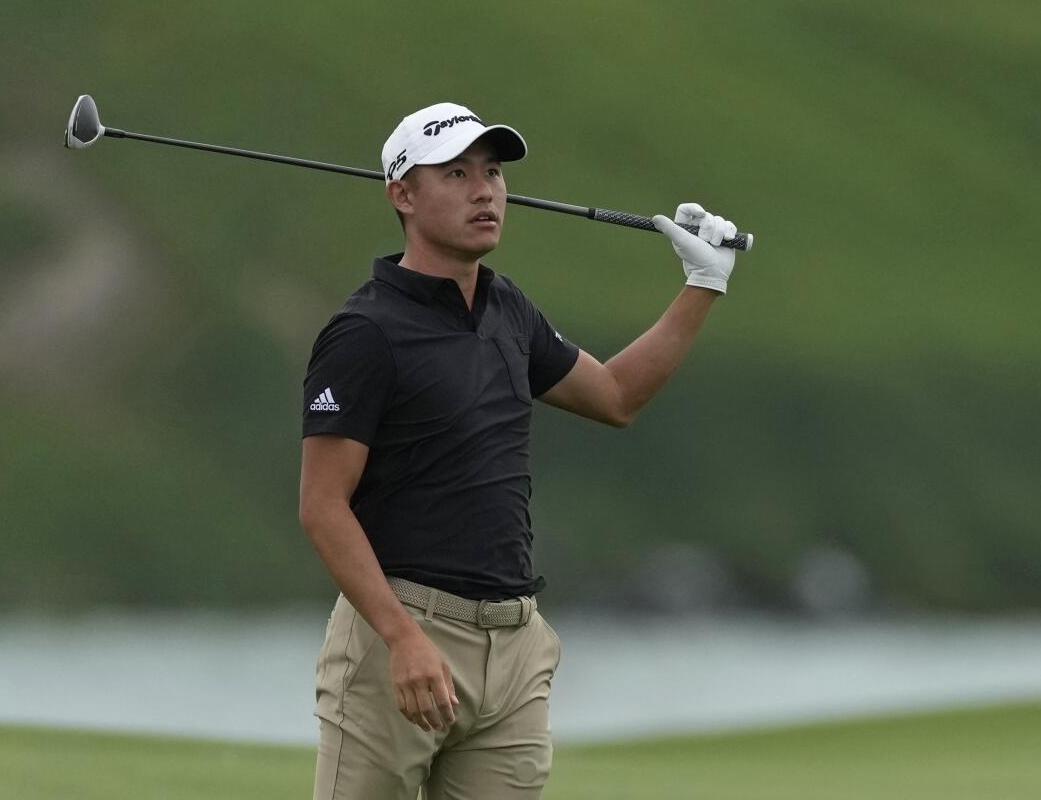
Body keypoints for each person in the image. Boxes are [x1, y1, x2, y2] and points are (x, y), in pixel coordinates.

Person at [299, 101, 739, 799]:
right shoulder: (365, 332)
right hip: (400, 632)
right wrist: (401, 638)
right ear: (403, 194)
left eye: (493, 172)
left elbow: (616, 397)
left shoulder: (509, 310)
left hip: (514, 643)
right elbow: (323, 505)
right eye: (457, 173)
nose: (485, 190)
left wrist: (702, 285)